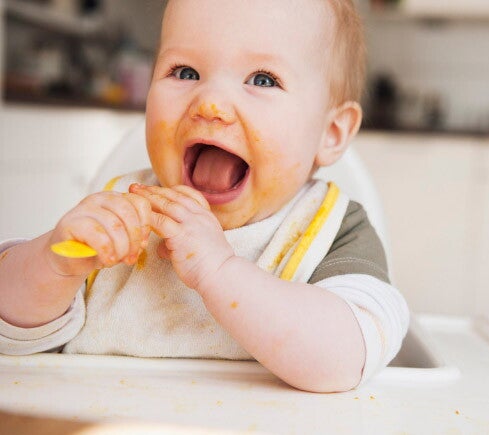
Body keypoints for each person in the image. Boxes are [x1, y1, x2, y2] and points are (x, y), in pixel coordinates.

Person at [0, 0, 409, 393]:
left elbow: (344, 359)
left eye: (262, 79)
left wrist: (220, 271)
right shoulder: (120, 211)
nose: (210, 103)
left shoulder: (331, 230)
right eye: (185, 72)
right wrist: (53, 264)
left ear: (331, 132)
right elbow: (12, 331)